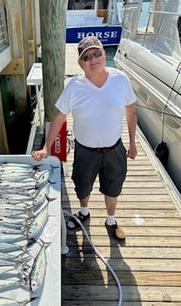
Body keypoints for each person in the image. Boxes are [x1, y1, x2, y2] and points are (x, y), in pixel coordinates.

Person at [31, 35, 137, 240]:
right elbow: (59, 118)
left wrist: (132, 143)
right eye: (87, 57)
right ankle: (84, 212)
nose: (93, 59)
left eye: (97, 53)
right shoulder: (73, 86)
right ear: (80, 63)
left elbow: (131, 111)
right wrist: (46, 147)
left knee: (113, 186)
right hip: (85, 151)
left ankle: (111, 219)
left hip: (115, 149)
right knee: (82, 185)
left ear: (104, 54)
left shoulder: (120, 79)